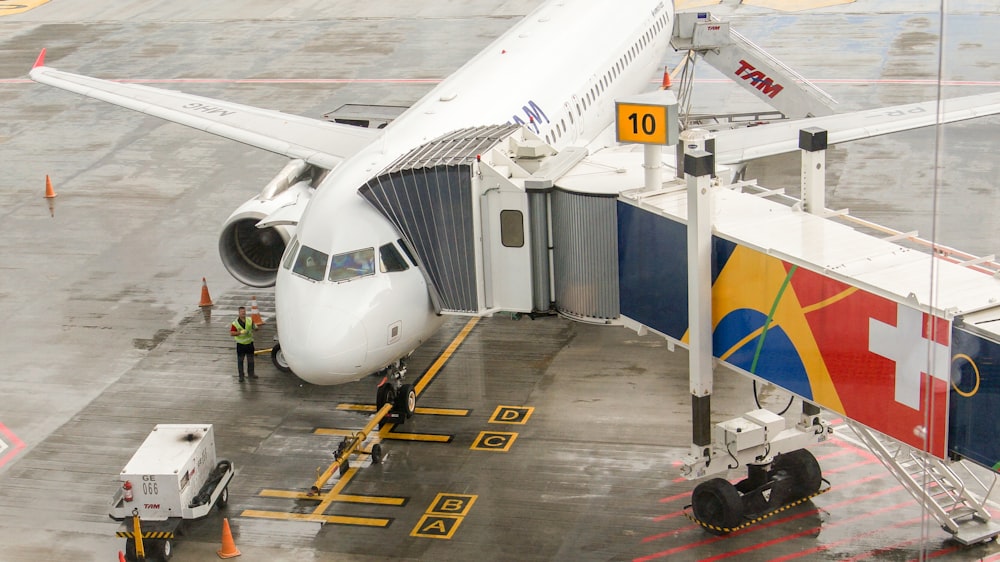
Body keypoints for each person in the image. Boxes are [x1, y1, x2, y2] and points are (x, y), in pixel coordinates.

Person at [230, 306, 261, 382]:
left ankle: (251, 374)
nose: (243, 313)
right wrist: (239, 332)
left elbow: (255, 328)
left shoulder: (250, 320)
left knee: (251, 360)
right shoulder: (235, 323)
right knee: (240, 361)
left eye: (244, 311)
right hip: (241, 345)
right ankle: (241, 376)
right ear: (239, 313)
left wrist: (256, 328)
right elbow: (232, 333)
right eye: (241, 312)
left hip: (249, 343)